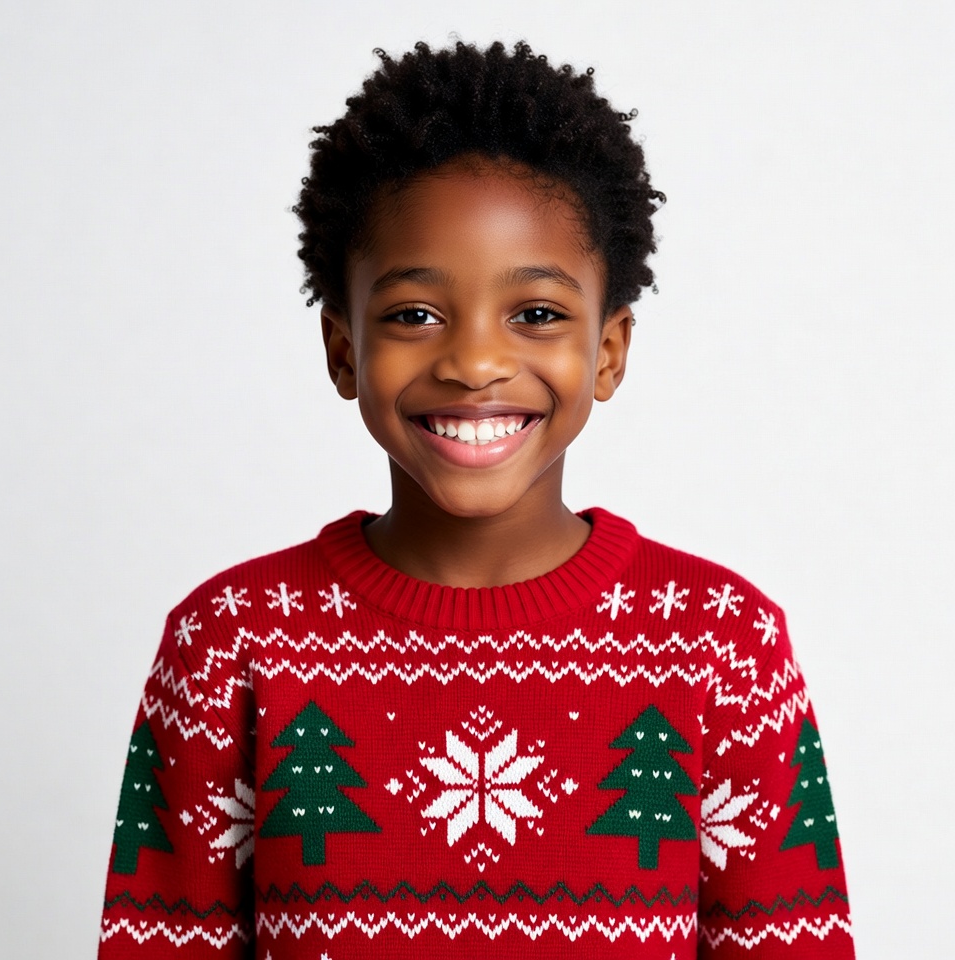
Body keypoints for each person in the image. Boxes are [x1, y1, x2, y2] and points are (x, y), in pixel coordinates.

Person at [98, 41, 855, 959]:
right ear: (342, 348)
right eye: (415, 314)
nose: (473, 362)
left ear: (608, 351)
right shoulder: (231, 644)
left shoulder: (723, 644)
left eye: (536, 313)